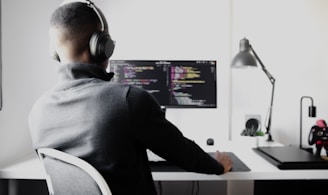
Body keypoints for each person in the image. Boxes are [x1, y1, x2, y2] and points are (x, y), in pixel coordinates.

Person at [28, 1, 233, 194]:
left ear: (54, 52)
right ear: (102, 46)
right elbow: (183, 153)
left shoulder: (37, 112)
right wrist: (217, 165)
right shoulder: (127, 100)